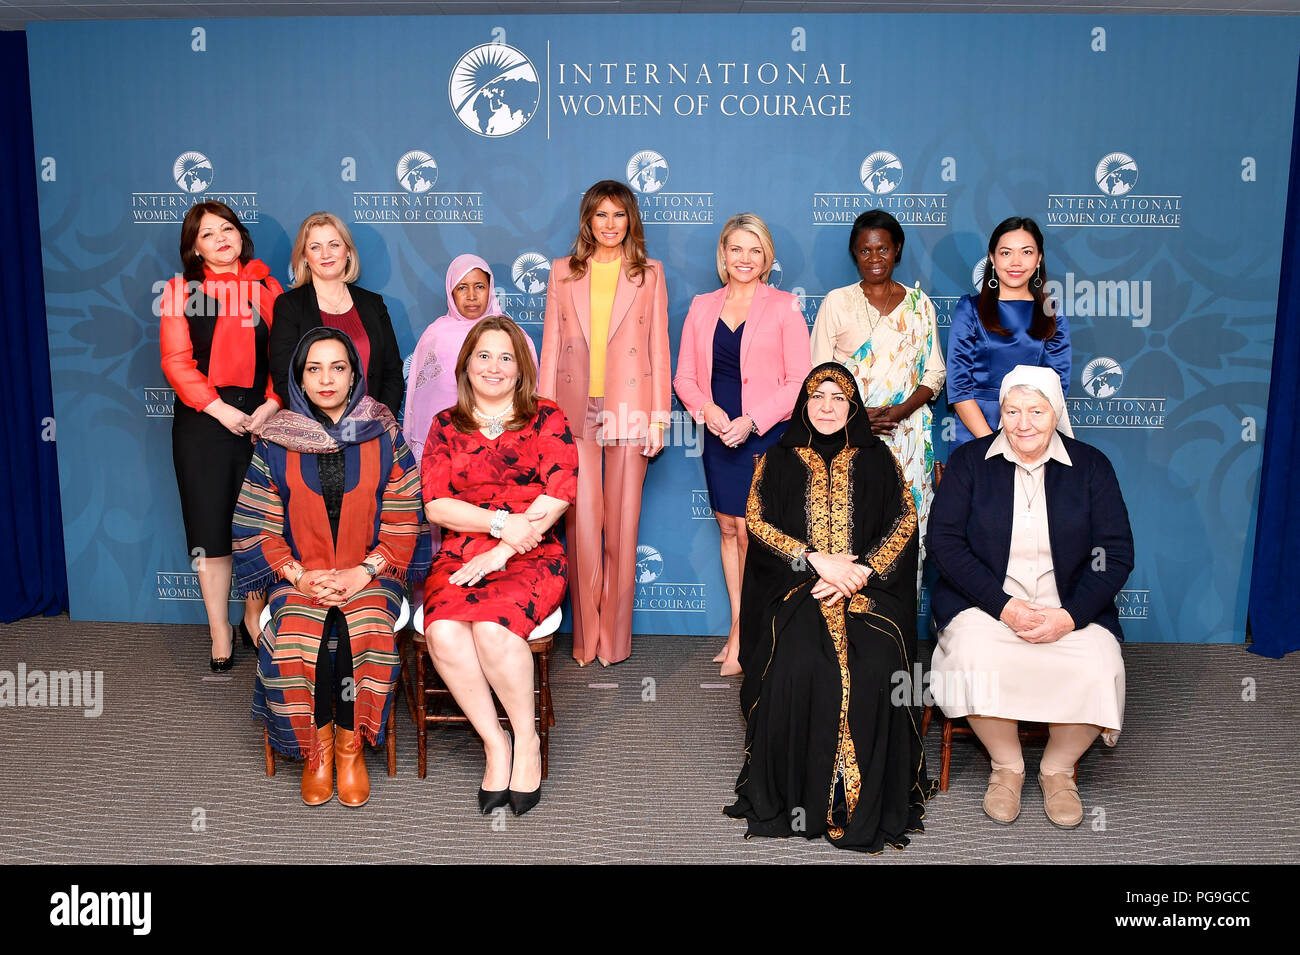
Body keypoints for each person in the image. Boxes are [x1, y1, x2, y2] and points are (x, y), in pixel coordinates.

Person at [725, 363, 934, 853]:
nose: (825, 406)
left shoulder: (878, 458)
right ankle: (801, 799)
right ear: (802, 402)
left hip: (868, 590)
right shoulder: (776, 459)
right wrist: (814, 560)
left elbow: (904, 520)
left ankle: (863, 798)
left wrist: (858, 572)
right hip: (797, 589)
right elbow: (757, 523)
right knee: (798, 664)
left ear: (853, 406)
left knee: (876, 665)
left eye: (838, 398)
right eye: (816, 396)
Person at [927, 365, 1133, 829]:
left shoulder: (1091, 465)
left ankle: (1058, 771)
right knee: (973, 656)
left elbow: (1115, 553)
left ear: (1055, 411)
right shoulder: (969, 462)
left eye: (1036, 411)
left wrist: (1069, 616)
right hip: (985, 604)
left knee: (1098, 664)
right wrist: (1005, 608)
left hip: (1069, 607)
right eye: (1013, 411)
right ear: (999, 413)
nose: (1024, 423)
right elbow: (944, 544)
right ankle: (1007, 766)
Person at [233, 327, 429, 807]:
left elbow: (405, 511)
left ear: (354, 374)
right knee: (299, 631)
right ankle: (317, 751)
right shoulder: (277, 440)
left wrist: (365, 570)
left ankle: (350, 748)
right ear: (299, 378)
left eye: (337, 367)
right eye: (313, 369)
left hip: (371, 573)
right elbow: (257, 521)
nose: (326, 379)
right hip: (303, 574)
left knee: (364, 626)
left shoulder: (382, 431)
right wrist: (299, 575)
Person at [422, 316, 578, 816]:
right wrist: (497, 524)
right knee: (444, 633)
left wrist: (504, 546)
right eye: (483, 355)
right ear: (466, 364)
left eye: (506, 358)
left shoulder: (547, 416)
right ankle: (496, 743)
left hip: (533, 553)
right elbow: (437, 506)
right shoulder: (446, 424)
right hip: (461, 552)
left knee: (491, 631)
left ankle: (527, 739)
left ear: (521, 369)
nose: (493, 366)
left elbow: (557, 497)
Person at [539, 180, 670, 667]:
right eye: (601, 216)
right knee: (583, 531)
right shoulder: (562, 272)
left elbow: (659, 346)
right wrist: (545, 420)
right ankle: (585, 638)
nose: (610, 225)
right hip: (574, 412)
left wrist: (660, 419)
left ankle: (614, 642)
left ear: (630, 220)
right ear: (587, 222)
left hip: (630, 409)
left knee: (622, 531)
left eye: (619, 215)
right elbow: (551, 349)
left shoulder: (649, 274)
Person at [674, 213, 810, 676]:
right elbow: (685, 379)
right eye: (736, 249)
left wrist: (752, 421)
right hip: (717, 435)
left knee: (755, 533)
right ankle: (736, 629)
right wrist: (708, 413)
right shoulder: (701, 305)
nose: (745, 259)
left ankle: (753, 633)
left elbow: (799, 382)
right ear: (723, 255)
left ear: (767, 256)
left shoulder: (786, 306)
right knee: (728, 531)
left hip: (765, 434)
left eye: (755, 250)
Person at [160, 200, 283, 670]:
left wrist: (271, 405)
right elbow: (176, 361)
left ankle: (254, 616)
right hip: (204, 420)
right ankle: (218, 628)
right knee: (210, 527)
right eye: (208, 234)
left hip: (263, 417)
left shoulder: (268, 287)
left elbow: (285, 355)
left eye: (227, 228)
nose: (221, 238)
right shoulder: (180, 290)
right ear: (194, 247)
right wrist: (219, 410)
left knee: (258, 524)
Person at [810, 210, 945, 585]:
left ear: (896, 249)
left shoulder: (920, 304)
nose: (874, 259)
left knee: (908, 530)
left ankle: (897, 630)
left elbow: (934, 374)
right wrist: (856, 416)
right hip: (848, 436)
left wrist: (900, 411)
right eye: (865, 251)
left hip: (908, 436)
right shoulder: (837, 302)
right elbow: (819, 376)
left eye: (882, 249)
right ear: (855, 253)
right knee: (854, 527)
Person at [946, 216, 1070, 450]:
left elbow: (1057, 386)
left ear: (1039, 258)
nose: (1016, 262)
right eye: (1005, 253)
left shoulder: (1051, 311)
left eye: (1026, 252)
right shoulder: (969, 309)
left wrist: (1025, 434)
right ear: (992, 258)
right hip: (976, 433)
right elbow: (959, 386)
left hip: (1033, 432)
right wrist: (992, 443)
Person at [404, 254, 536, 467]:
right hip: (443, 448)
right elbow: (420, 401)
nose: (472, 296)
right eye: (462, 287)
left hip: (501, 445)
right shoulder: (435, 336)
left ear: (490, 288)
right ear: (451, 292)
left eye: (479, 287)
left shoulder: (511, 334)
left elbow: (528, 390)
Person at [269, 211, 405, 416]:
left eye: (334, 245)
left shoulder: (373, 304)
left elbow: (392, 372)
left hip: (372, 429)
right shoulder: (289, 306)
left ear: (348, 251)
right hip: (315, 433)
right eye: (315, 247)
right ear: (305, 257)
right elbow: (284, 378)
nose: (326, 254)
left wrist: (381, 420)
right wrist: (322, 428)